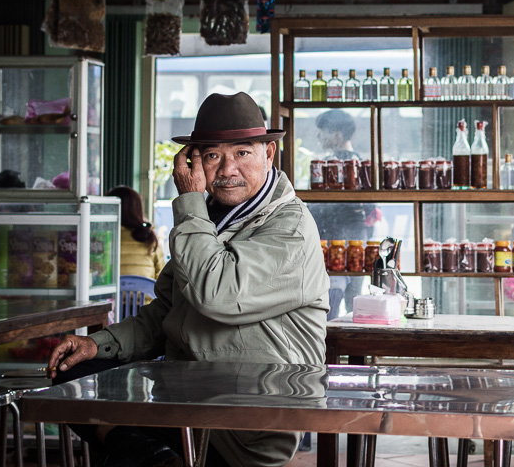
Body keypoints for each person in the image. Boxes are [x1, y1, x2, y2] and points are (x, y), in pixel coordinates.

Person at [47, 92, 330, 467]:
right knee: (71, 374)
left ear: (269, 154)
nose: (228, 169)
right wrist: (99, 344)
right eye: (213, 156)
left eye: (243, 153)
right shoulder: (207, 220)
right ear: (193, 163)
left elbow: (216, 295)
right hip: (190, 400)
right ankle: (156, 457)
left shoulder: (289, 225)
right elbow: (167, 310)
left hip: (248, 422)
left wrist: (191, 204)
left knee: (125, 454)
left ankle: (151, 457)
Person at [306, 110, 379, 320]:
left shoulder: (338, 166)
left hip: (337, 246)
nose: (319, 137)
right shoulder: (360, 164)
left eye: (322, 132)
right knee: (352, 309)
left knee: (329, 312)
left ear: (337, 134)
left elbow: (329, 209)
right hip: (356, 243)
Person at [106, 185, 165, 280]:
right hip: (146, 294)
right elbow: (163, 279)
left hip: (110, 295)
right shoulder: (150, 238)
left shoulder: (104, 237)